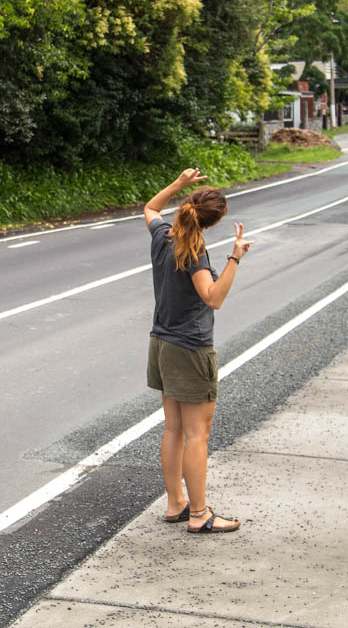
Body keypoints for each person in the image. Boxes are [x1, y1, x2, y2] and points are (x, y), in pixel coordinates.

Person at [143, 168, 253, 533]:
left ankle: (176, 503)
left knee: (173, 429)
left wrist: (177, 183)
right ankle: (200, 513)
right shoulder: (194, 250)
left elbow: (150, 208)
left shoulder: (163, 235)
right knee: (197, 434)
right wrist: (235, 258)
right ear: (214, 221)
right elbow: (212, 297)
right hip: (190, 349)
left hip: (161, 343)